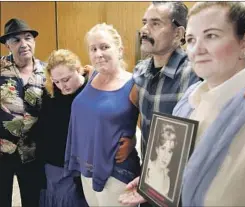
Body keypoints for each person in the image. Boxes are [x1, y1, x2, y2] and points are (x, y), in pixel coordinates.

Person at [118, 2, 245, 206]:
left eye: (211, 36)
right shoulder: (192, 98)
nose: (197, 49)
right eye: (191, 39)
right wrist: (154, 184)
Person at [64, 23, 141, 207]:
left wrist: (134, 141)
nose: (99, 54)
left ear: (120, 50)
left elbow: (150, 125)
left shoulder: (134, 84)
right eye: (93, 49)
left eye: (105, 47)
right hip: (87, 167)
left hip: (116, 172)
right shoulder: (91, 76)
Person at [27, 49, 88, 207]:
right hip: (54, 165)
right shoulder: (51, 95)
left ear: (78, 69)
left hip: (79, 167)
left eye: (66, 79)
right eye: (56, 81)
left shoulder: (91, 91)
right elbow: (45, 131)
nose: (62, 86)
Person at [0, 18, 46, 207]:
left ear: (34, 41)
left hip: (33, 151)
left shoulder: (47, 71)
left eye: (28, 38)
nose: (23, 44)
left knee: (33, 200)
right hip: (2, 150)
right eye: (16, 40)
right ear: (7, 45)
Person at [145, 123, 177, 198]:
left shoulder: (167, 178)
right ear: (157, 149)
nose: (166, 156)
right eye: (163, 148)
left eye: (169, 151)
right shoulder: (147, 169)